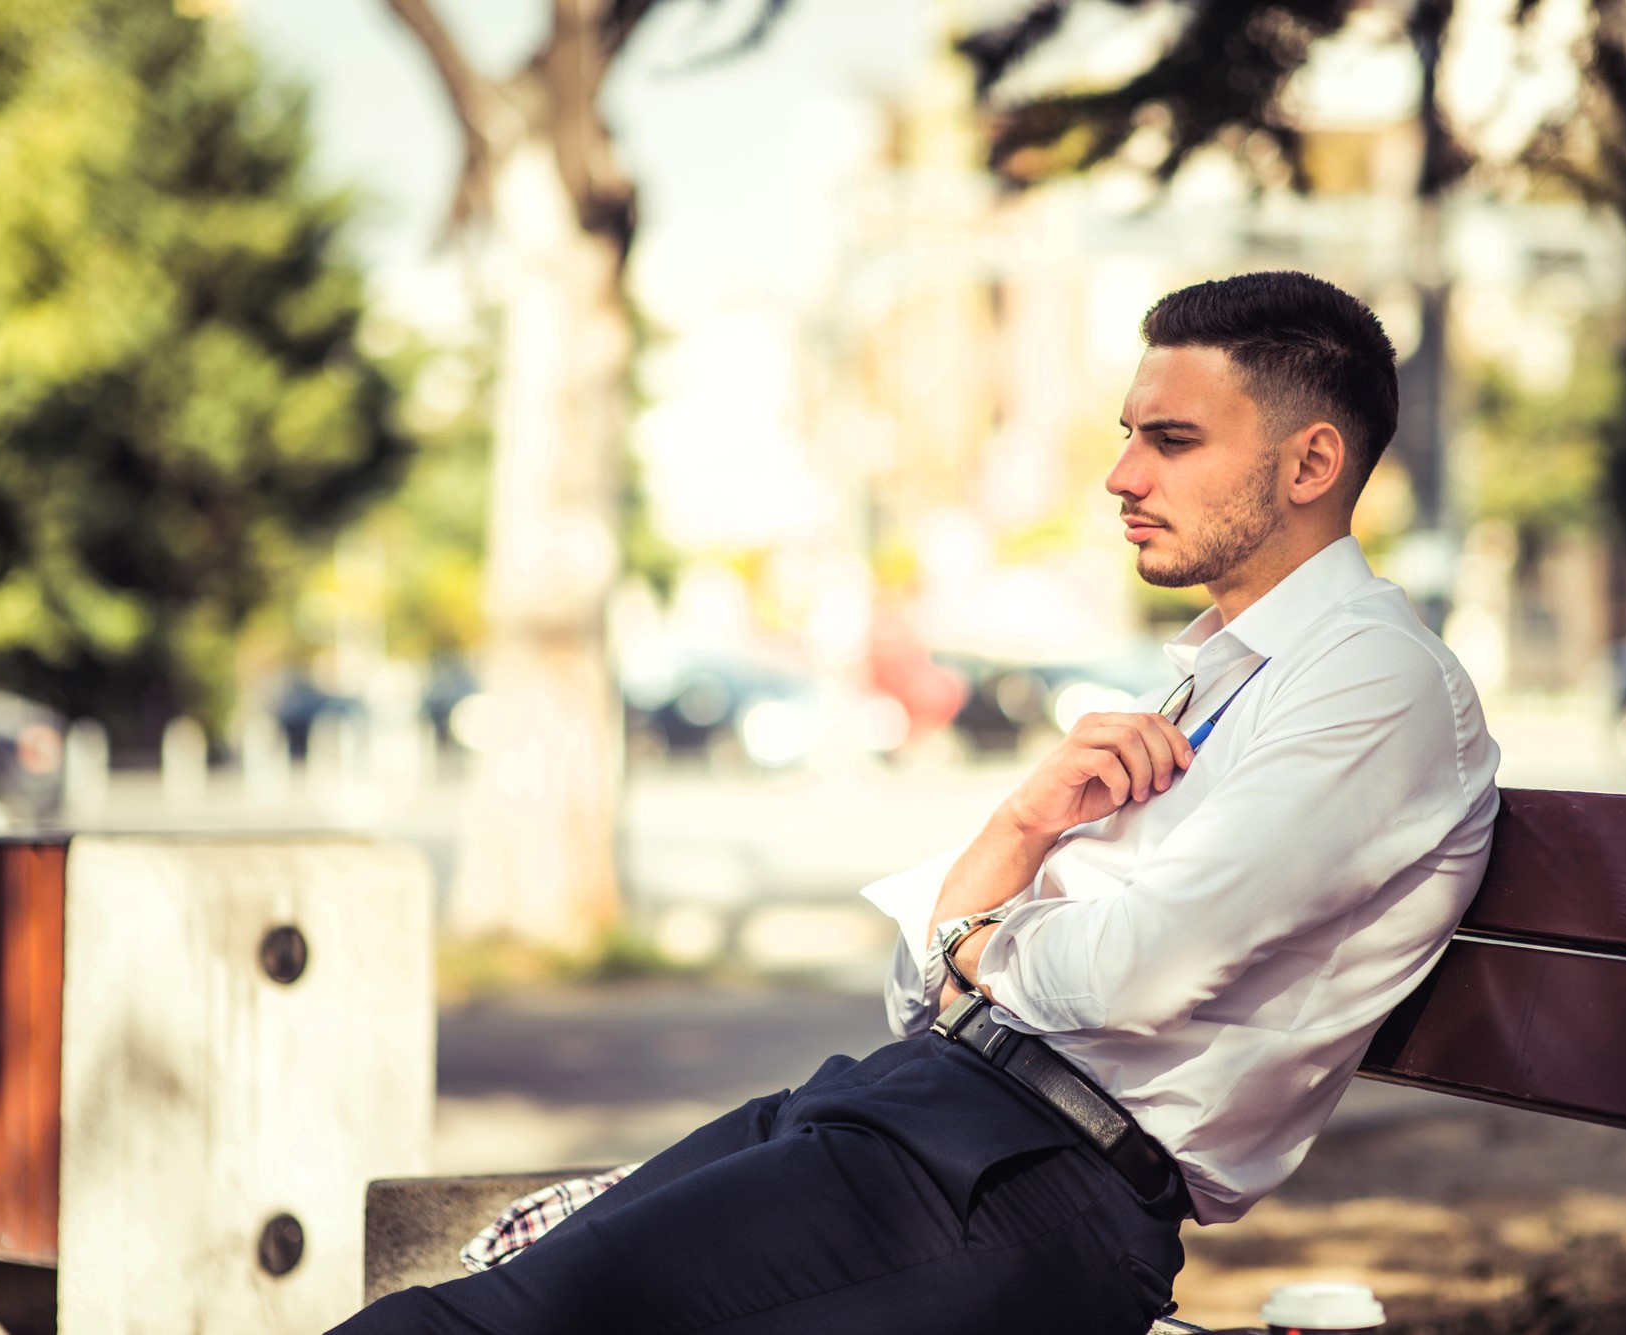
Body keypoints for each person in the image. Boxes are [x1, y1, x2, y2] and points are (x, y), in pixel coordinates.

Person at [334, 272, 1501, 1335]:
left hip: (1029, 1183)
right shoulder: (1213, 672)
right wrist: (1015, 831)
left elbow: (1130, 973)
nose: (1120, 476)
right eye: (1126, 436)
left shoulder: (1370, 681)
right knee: (483, 1298)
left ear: (1307, 467)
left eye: (1172, 440)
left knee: (480, 1330)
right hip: (916, 1115)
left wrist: (981, 940)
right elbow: (921, 994)